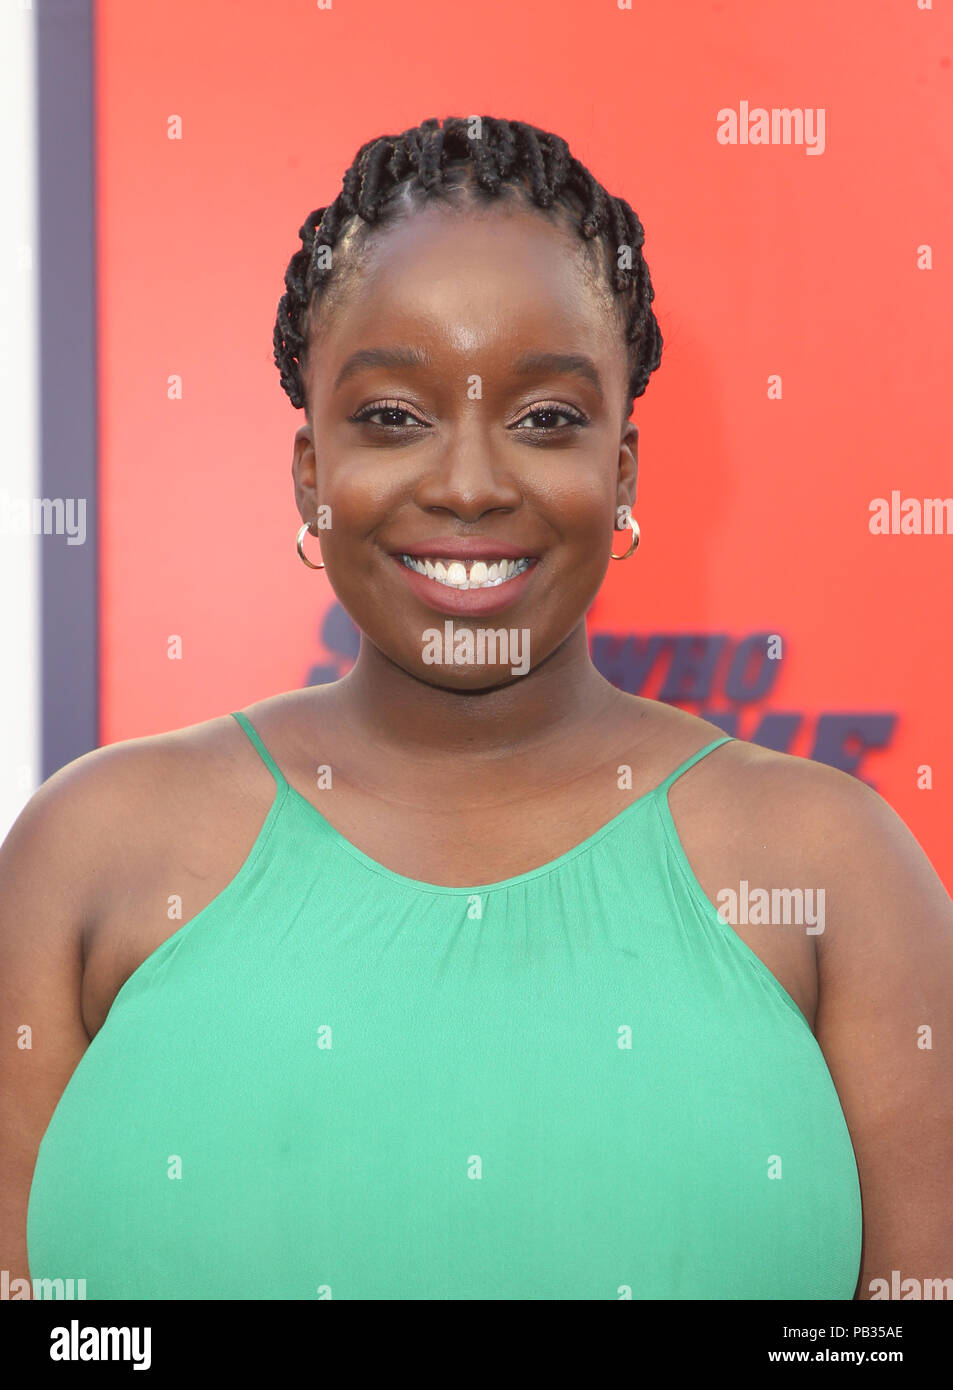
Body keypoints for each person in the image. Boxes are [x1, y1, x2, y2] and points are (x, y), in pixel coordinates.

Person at [4, 116, 952, 1301]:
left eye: (545, 417)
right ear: (310, 471)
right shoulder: (87, 853)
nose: (466, 481)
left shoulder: (836, 870)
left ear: (622, 472)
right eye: (392, 416)